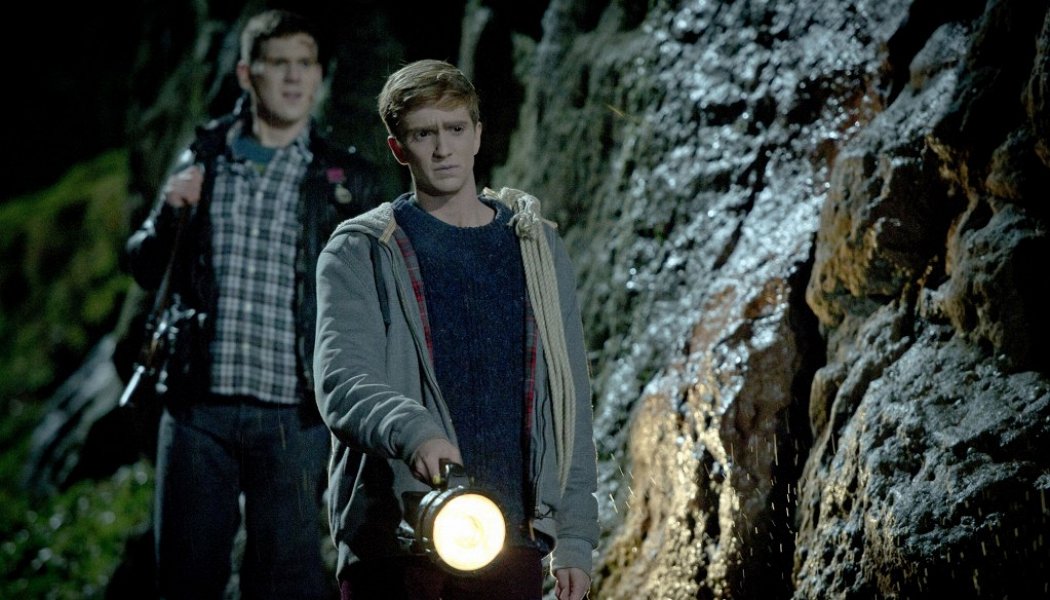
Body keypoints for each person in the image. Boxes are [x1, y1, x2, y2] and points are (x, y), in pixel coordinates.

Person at [313, 59, 598, 600]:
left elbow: (569, 398)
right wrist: (415, 431)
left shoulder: (535, 247)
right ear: (399, 148)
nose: (443, 148)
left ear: (477, 134)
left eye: (455, 129)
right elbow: (343, 380)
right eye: (424, 134)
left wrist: (576, 534)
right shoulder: (361, 250)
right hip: (399, 539)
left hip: (512, 538)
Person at [124, 9, 378, 599]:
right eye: (278, 63)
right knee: (185, 580)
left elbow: (371, 300)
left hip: (294, 414)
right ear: (246, 74)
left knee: (285, 582)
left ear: (318, 75)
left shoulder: (343, 181)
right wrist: (168, 216)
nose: (294, 78)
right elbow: (142, 266)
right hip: (197, 408)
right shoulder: (203, 157)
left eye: (305, 64)